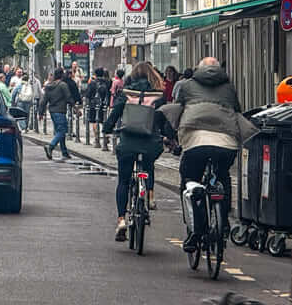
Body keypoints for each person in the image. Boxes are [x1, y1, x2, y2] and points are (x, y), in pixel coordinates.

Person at [163, 56, 252, 251]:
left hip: (196, 140)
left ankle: (196, 230)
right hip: (226, 140)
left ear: (198, 69)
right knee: (222, 175)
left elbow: (178, 110)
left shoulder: (186, 86)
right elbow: (237, 110)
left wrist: (173, 138)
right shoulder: (229, 87)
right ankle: (225, 222)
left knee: (189, 179)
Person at [102, 61, 166, 241]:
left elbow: (114, 116)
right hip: (150, 143)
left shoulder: (126, 94)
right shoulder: (158, 96)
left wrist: (106, 129)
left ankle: (121, 219)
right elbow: (163, 119)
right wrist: (169, 136)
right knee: (148, 164)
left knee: (123, 181)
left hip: (128, 143)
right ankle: (150, 195)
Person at [39, 68, 76, 160]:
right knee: (62, 131)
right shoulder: (63, 85)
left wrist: (41, 112)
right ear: (62, 75)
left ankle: (64, 152)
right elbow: (68, 97)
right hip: (60, 111)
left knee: (59, 131)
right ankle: (50, 146)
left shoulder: (48, 86)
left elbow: (44, 101)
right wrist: (75, 108)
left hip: (52, 111)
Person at [85, 68, 112, 148]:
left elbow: (88, 94)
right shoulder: (108, 82)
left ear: (95, 74)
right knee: (103, 120)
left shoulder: (92, 83)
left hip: (94, 105)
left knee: (94, 121)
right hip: (104, 104)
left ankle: (97, 140)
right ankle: (105, 138)